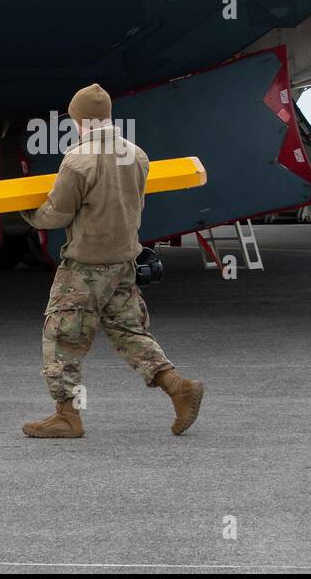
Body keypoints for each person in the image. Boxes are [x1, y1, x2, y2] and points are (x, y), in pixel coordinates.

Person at [19, 83, 205, 439]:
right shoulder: (136, 155)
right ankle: (179, 387)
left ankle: (67, 416)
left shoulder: (77, 160)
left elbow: (56, 215)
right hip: (123, 262)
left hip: (86, 267)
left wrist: (27, 212)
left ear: (77, 120)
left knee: (61, 338)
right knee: (130, 332)